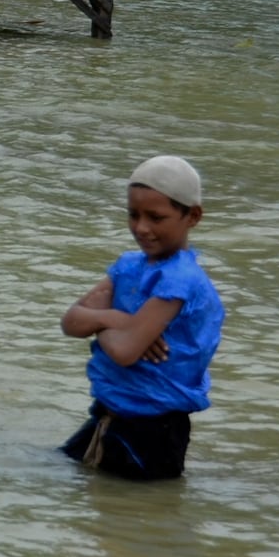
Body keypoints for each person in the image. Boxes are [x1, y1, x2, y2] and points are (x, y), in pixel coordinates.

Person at [58, 156, 222, 481]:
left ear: (193, 216)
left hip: (152, 432)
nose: (141, 228)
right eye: (133, 215)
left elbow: (124, 351)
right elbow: (71, 322)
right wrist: (118, 318)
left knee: (131, 514)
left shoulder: (180, 280)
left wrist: (102, 323)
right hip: (110, 416)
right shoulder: (129, 265)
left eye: (156, 217)